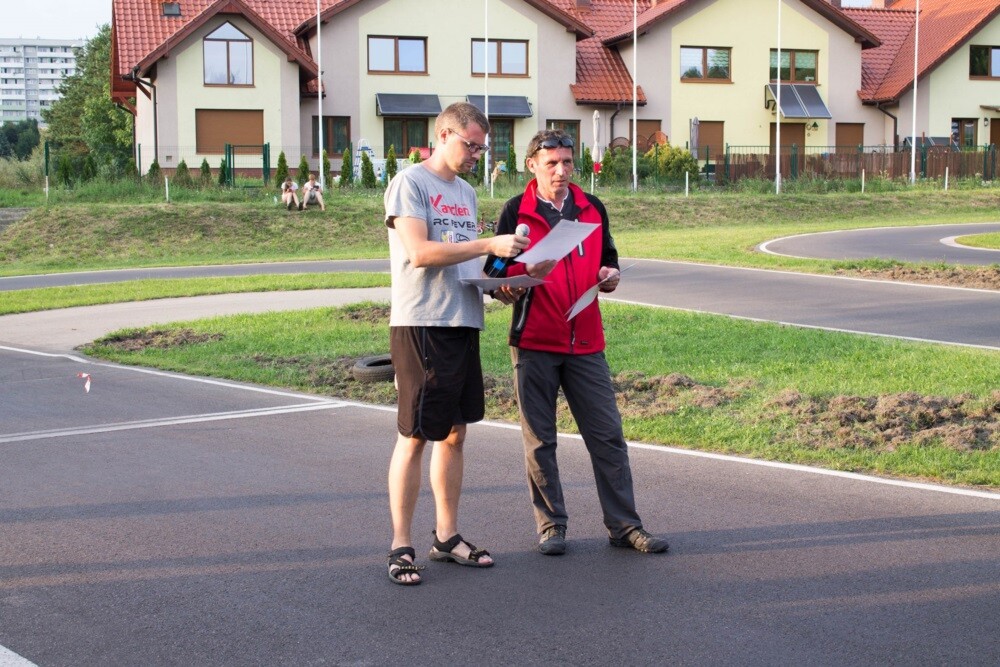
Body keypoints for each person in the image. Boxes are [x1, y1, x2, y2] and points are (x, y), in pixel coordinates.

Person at [493, 129, 669, 556]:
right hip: (534, 340)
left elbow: (608, 257)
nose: (561, 170)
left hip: (586, 340)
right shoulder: (515, 210)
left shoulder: (592, 207)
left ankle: (624, 525)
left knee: (608, 436)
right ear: (531, 164)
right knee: (541, 439)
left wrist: (611, 275)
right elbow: (496, 269)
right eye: (551, 163)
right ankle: (551, 525)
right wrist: (508, 287)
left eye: (567, 162)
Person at [383, 102, 529, 585]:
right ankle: (400, 545)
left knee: (455, 432)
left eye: (481, 149)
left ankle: (446, 536)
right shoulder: (410, 183)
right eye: (471, 145)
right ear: (443, 134)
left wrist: (504, 281)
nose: (476, 156)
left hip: (463, 320)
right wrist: (489, 244)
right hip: (423, 324)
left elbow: (463, 263)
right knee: (415, 435)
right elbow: (421, 253)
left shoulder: (465, 192)